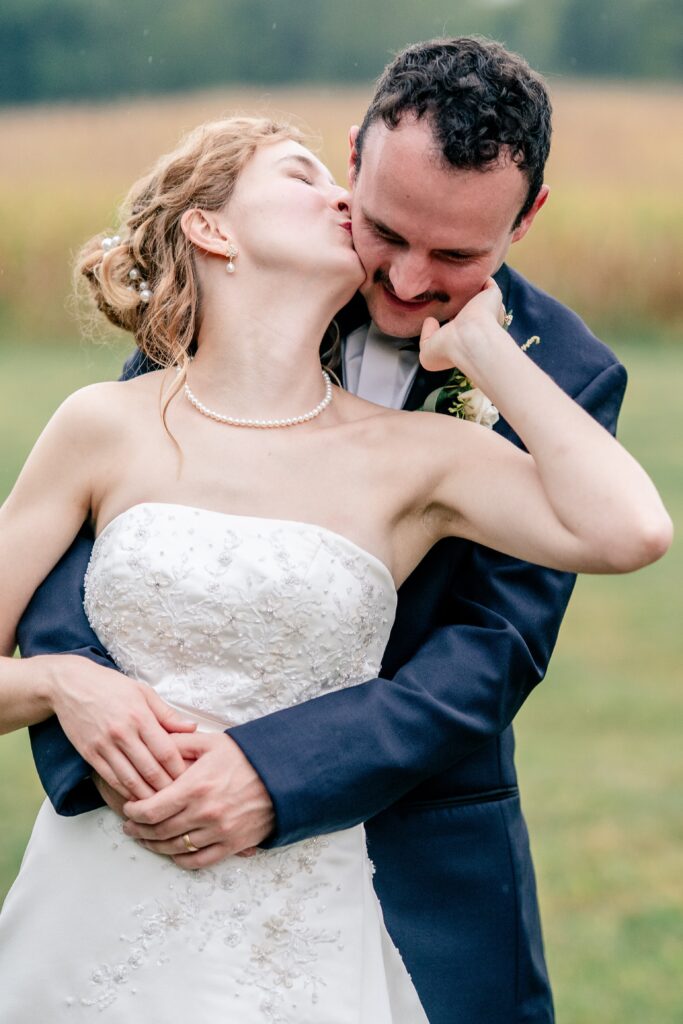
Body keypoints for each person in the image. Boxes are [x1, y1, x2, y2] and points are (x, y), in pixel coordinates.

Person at [9, 39, 670, 1024]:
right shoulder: (144, 391)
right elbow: (88, 577)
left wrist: (480, 346)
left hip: (370, 856)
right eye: (381, 226)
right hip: (112, 865)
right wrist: (76, 696)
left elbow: (501, 640)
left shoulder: (497, 411)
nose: (404, 280)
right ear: (356, 160)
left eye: (453, 256)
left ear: (525, 218)